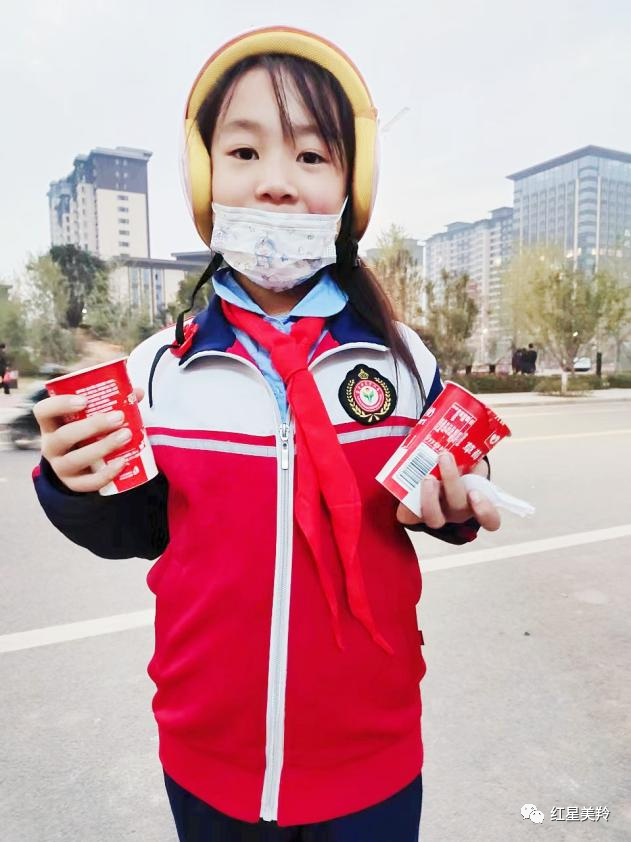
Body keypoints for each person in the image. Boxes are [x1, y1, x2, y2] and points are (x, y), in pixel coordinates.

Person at [32, 27, 502, 841]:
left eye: (311, 156)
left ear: (353, 185)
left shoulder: (401, 360)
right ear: (204, 176)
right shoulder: (158, 370)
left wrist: (458, 503)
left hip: (371, 756)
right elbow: (136, 532)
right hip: (207, 757)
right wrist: (69, 482)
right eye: (244, 152)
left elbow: (451, 481)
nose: (276, 183)